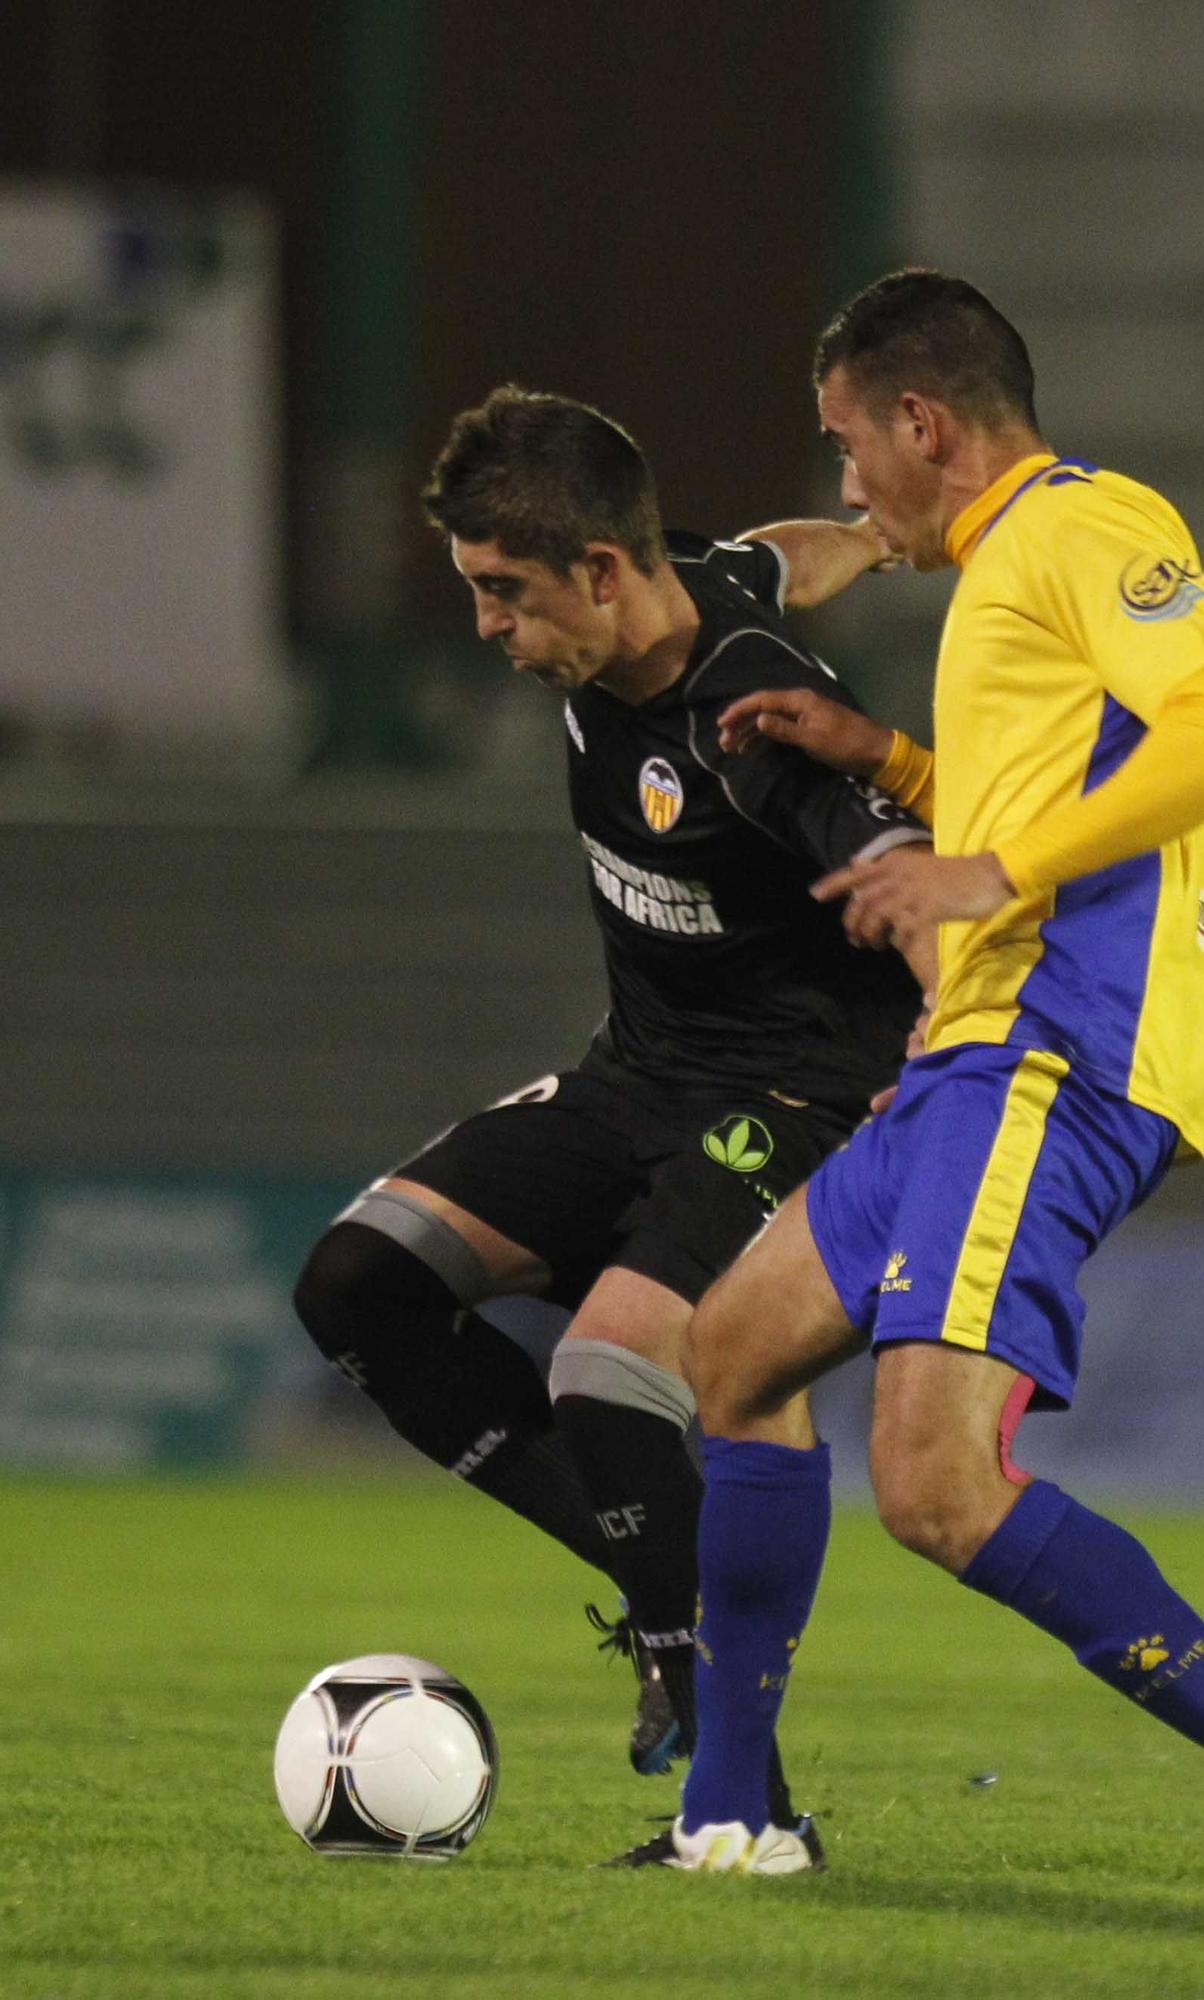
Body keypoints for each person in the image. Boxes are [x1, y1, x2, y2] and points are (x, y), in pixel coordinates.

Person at [646, 271, 1204, 1893]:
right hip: (961, 1061)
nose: (845, 487)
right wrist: (880, 763)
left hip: (1054, 1050)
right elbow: (1067, 782)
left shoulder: (1083, 523)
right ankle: (740, 1817)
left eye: (848, 445)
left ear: (921, 423)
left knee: (932, 1484)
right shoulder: (1005, 585)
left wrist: (984, 866)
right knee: (732, 1349)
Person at [292, 386, 932, 1838]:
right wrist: (877, 538)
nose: (485, 629)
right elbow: (776, 551)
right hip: (635, 1073)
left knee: (604, 1373)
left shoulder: (754, 717)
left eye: (502, 594)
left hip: (795, 1099)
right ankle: (670, 1605)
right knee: (358, 1285)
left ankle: (744, 1803)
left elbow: (905, 866)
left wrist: (953, 1030)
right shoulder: (679, 580)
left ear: (596, 571)